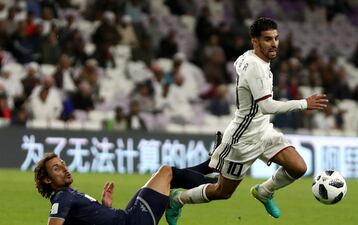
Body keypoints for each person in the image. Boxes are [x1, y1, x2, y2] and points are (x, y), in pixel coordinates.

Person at [166, 17, 328, 225]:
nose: (274, 43)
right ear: (255, 41)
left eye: (276, 38)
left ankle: (264, 191)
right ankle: (177, 200)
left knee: (298, 167)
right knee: (221, 191)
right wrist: (304, 103)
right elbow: (267, 107)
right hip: (242, 140)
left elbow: (240, 64)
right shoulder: (255, 68)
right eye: (268, 39)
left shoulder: (251, 58)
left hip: (263, 131)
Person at [34, 152, 218, 225]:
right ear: (47, 180)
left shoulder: (69, 195)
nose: (64, 168)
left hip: (126, 217)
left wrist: (104, 206)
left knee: (159, 178)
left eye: (63, 163)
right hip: (132, 222)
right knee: (166, 172)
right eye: (56, 169)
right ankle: (217, 180)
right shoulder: (62, 197)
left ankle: (209, 166)